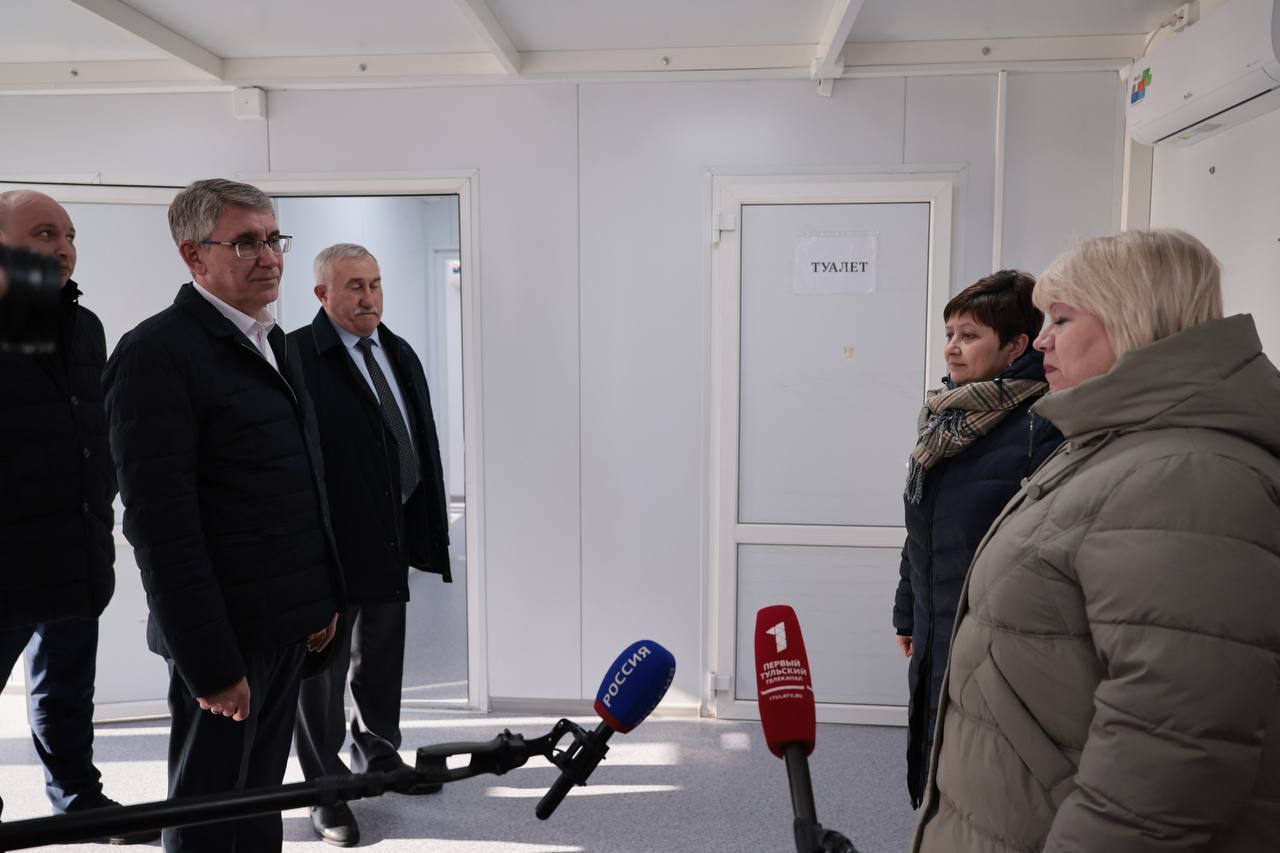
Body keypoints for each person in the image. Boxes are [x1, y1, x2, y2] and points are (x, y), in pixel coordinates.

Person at [911, 229, 1280, 852]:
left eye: (1061, 318)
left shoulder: (1186, 477)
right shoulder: (1111, 441)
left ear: (1130, 319)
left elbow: (1169, 753)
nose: (1042, 340)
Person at [104, 179, 344, 852]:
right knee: (208, 814)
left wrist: (319, 596)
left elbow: (300, 485)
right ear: (193, 255)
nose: (268, 256)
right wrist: (210, 663)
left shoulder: (273, 341)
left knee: (260, 804)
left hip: (284, 624)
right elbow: (161, 527)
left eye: (273, 239)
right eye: (244, 242)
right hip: (225, 636)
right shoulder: (156, 354)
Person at [0, 191, 157, 844]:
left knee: (66, 687)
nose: (64, 248)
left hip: (74, 549)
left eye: (69, 235)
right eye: (44, 233)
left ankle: (79, 801)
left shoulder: (83, 326)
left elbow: (92, 428)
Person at [290, 243, 452, 846]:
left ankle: (377, 751)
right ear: (322, 294)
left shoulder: (397, 350)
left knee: (382, 652)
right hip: (331, 542)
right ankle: (323, 787)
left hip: (391, 530)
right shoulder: (296, 355)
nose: (368, 297)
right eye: (354, 286)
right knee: (322, 669)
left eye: (375, 284)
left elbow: (416, 437)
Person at [892, 270, 1062, 808]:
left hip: (995, 635)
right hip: (936, 620)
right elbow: (922, 528)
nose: (952, 348)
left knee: (983, 778)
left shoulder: (1043, 425)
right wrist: (907, 610)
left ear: (1016, 346)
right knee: (938, 762)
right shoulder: (947, 419)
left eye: (969, 336)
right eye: (950, 334)